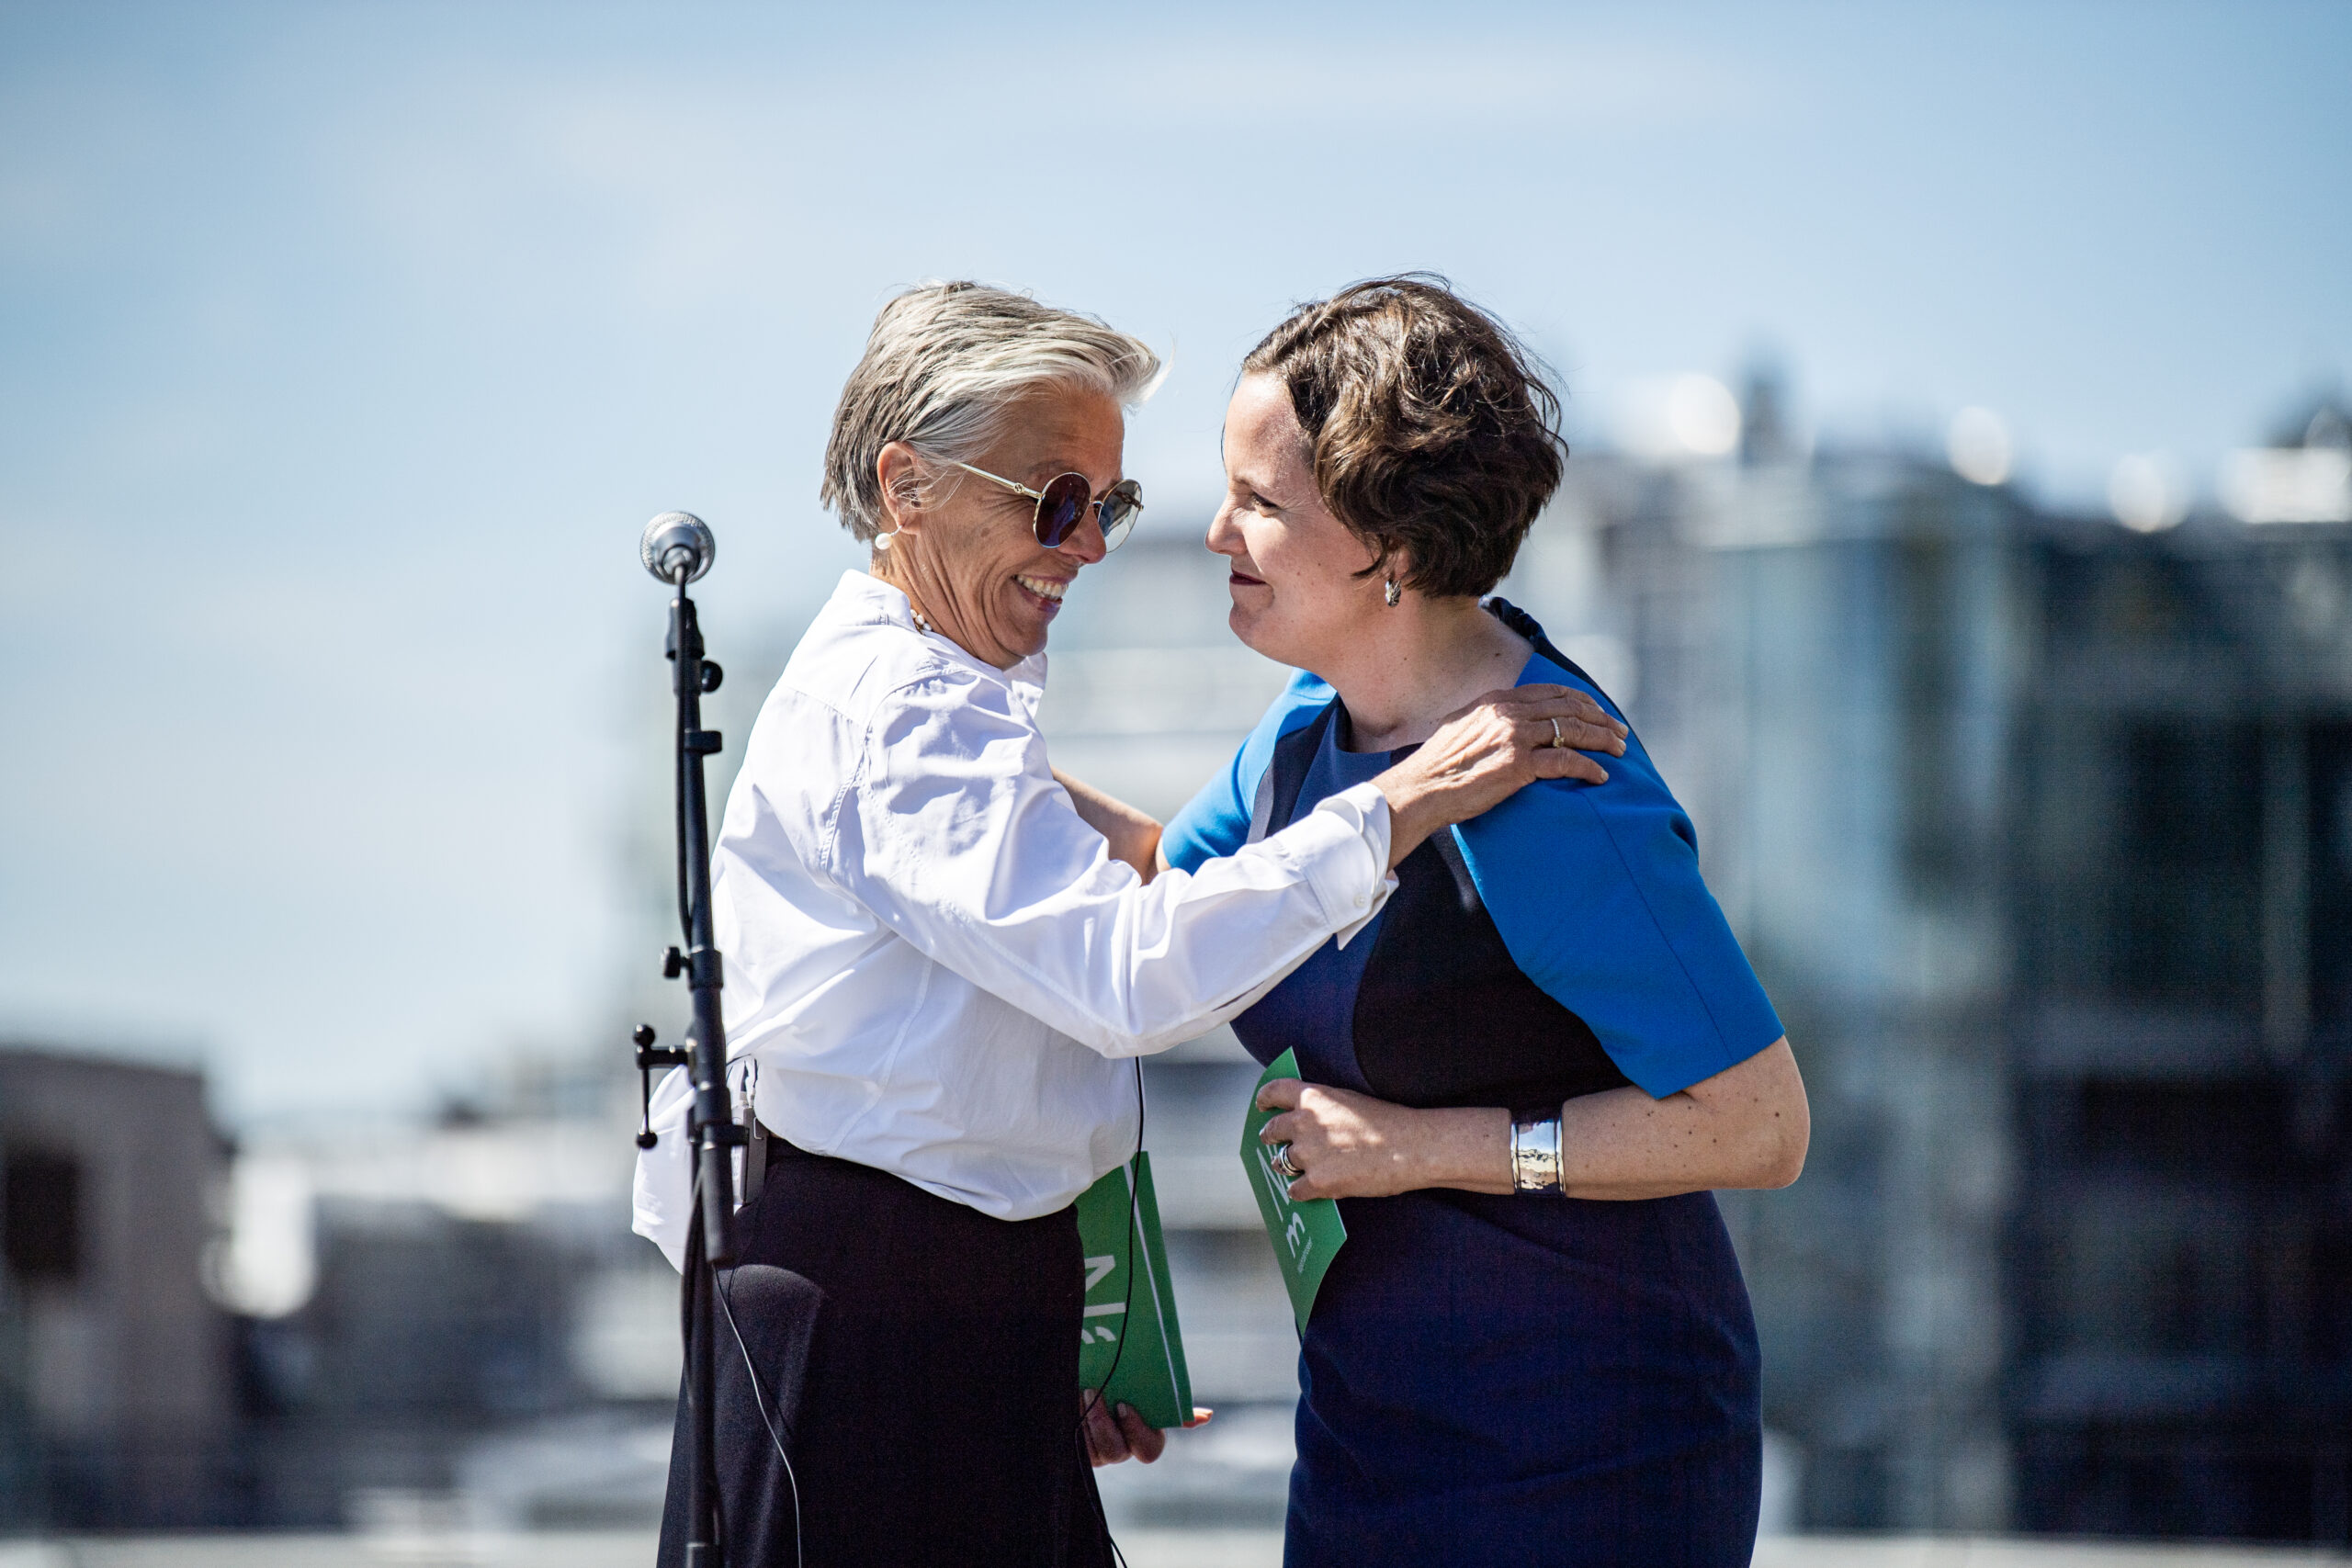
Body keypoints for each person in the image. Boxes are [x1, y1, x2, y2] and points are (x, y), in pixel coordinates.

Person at [629, 281, 1624, 1568]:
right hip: (876, 1326)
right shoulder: (907, 713)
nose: (1088, 545)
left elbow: (1017, 1036)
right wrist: (1404, 804)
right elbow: (1125, 977)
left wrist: (1059, 1330)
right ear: (906, 485)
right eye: (1054, 500)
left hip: (935, 1310)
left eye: (1109, 506)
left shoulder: (943, 703)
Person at [1158, 277, 1811, 1568]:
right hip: (1368, 1433)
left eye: (1261, 505)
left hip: (1588, 1455)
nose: (1217, 532)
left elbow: (1761, 1124)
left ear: (1390, 552)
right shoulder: (1306, 729)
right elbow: (1156, 910)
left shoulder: (1557, 790)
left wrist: (1415, 1149)